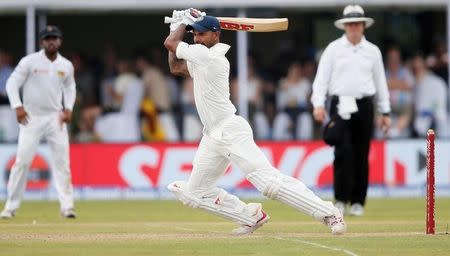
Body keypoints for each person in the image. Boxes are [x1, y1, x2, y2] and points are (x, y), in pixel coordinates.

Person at [164, 9, 345, 235]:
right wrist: (177, 26)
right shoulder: (200, 58)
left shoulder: (212, 57)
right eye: (194, 35)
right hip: (211, 135)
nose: (197, 38)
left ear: (216, 34)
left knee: (269, 184)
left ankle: (330, 212)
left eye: (201, 34)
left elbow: (171, 43)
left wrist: (179, 26)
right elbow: (175, 67)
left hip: (231, 130)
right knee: (195, 193)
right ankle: (251, 216)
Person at [311, 5, 391, 216]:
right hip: (340, 104)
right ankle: (340, 199)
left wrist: (386, 112)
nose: (354, 27)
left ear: (363, 25)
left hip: (364, 105)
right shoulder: (334, 49)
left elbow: (380, 82)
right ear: (345, 26)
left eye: (357, 24)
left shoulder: (373, 51)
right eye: (350, 24)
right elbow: (321, 80)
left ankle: (357, 201)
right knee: (342, 151)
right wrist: (318, 103)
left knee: (361, 153)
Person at [0, 25, 77, 219]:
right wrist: (17, 106)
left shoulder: (65, 65)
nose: (51, 41)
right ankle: (10, 207)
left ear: (60, 41)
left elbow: (70, 88)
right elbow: (11, 83)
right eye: (47, 38)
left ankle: (67, 207)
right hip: (31, 117)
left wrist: (68, 108)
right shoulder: (29, 62)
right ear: (41, 42)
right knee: (22, 161)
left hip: (55, 117)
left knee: (62, 163)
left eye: (55, 38)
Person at [411, 53, 448, 137]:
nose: (416, 71)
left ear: (424, 67)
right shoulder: (415, 85)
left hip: (438, 132)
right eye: (414, 69)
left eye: (418, 68)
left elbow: (439, 110)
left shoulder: (437, 83)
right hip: (420, 131)